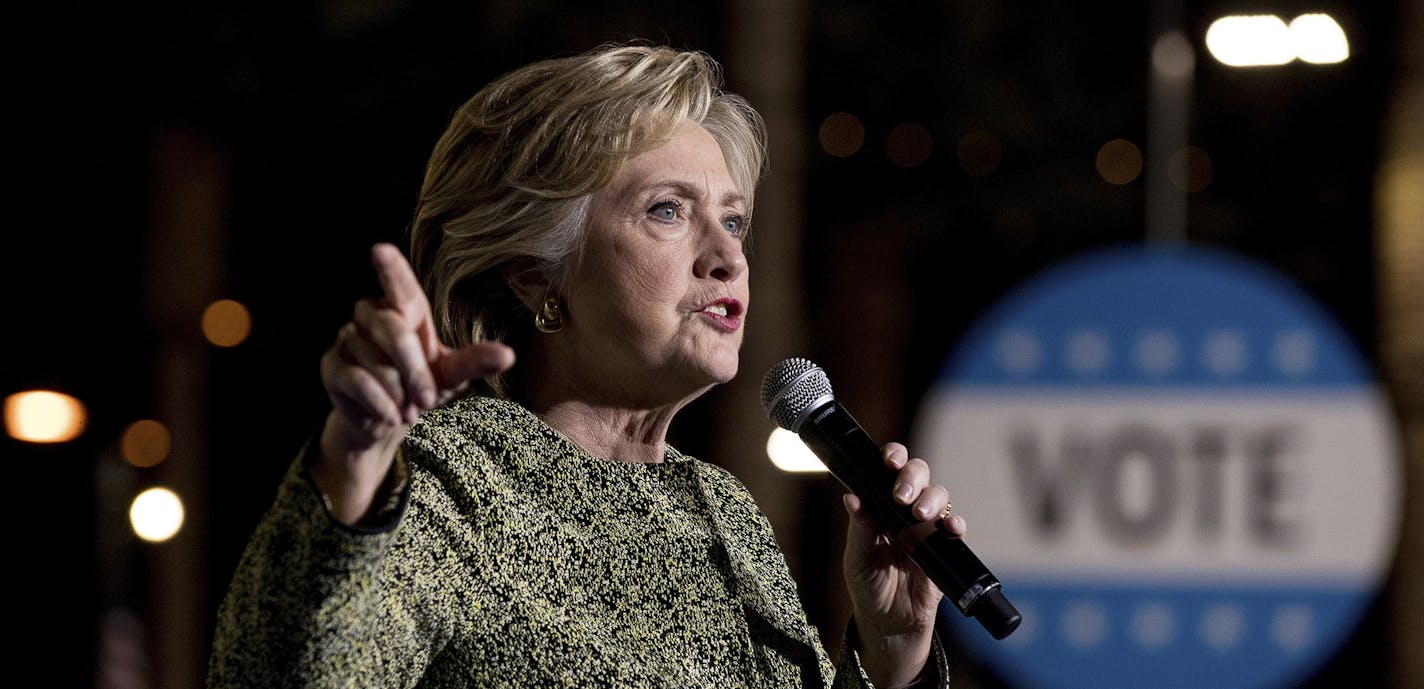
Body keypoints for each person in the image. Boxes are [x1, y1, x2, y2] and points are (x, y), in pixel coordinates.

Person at [208, 43, 965, 689]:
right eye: (669, 209)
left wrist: (890, 652)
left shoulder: (725, 513)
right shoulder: (449, 487)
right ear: (537, 272)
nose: (729, 254)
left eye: (733, 219)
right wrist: (352, 464)